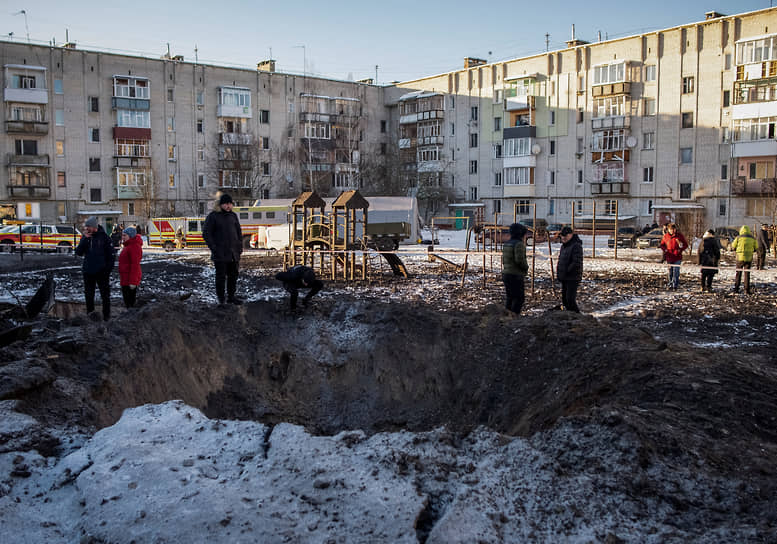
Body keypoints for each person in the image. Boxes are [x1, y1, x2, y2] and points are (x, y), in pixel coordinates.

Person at [203, 193, 243, 304]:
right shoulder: (213, 216)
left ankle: (231, 297)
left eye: (230, 204)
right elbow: (206, 233)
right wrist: (214, 248)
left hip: (233, 253)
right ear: (220, 205)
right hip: (220, 254)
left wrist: (239, 247)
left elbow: (239, 232)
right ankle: (221, 299)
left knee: (233, 276)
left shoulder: (233, 216)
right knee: (221, 277)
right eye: (226, 204)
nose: (228, 206)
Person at [75, 216, 115, 320]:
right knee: (89, 295)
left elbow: (111, 257)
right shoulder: (86, 238)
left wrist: (107, 271)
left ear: (94, 227)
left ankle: (106, 316)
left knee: (105, 295)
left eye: (88, 226)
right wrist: (84, 239)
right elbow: (78, 252)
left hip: (102, 272)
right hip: (88, 272)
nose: (86, 229)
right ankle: (90, 315)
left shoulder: (105, 238)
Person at [501, 223, 529, 314]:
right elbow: (520, 260)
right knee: (519, 298)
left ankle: (507, 316)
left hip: (506, 273)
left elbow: (504, 260)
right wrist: (526, 267)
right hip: (515, 274)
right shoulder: (519, 244)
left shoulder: (507, 244)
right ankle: (514, 317)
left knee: (510, 297)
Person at [556, 226, 583, 312]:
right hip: (565, 277)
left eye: (565, 235)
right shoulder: (564, 246)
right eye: (562, 236)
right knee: (565, 300)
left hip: (572, 277)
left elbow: (576, 262)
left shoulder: (576, 246)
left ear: (571, 235)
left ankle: (577, 316)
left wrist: (567, 271)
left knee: (570, 299)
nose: (563, 238)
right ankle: (570, 315)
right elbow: (561, 260)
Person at [118, 226, 143, 308]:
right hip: (125, 279)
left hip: (129, 280)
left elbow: (135, 265)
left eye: (125, 235)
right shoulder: (128, 246)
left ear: (130, 236)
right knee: (127, 303)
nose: (123, 237)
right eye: (122, 235)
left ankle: (132, 319)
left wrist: (133, 282)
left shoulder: (134, 247)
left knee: (130, 303)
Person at [659, 223, 688, 289]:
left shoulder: (679, 236)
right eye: (671, 229)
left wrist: (680, 249)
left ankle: (675, 284)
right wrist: (665, 250)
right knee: (670, 271)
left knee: (676, 271)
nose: (672, 231)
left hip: (677, 256)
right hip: (669, 256)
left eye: (673, 229)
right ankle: (670, 283)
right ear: (668, 230)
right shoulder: (666, 236)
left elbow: (685, 245)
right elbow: (662, 245)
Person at [731, 225, 758, 294]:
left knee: (738, 274)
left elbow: (733, 246)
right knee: (747, 274)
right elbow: (756, 247)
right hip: (748, 258)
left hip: (739, 258)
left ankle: (736, 289)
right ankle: (746, 289)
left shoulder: (738, 238)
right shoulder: (753, 238)